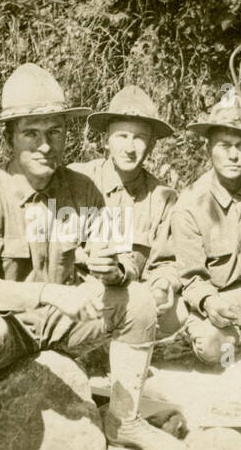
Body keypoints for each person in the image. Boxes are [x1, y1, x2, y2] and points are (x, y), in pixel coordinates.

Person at [0, 65, 187, 450]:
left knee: (140, 302)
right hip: (10, 328)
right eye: (31, 133)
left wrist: (113, 270)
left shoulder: (83, 189)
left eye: (54, 132)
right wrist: (48, 293)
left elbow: (123, 260)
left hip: (64, 327)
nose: (44, 145)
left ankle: (124, 421)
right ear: (10, 138)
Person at [167, 93, 241, 366]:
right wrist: (210, 303)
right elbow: (191, 279)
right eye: (224, 145)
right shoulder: (190, 204)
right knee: (212, 349)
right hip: (224, 299)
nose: (233, 155)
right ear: (208, 148)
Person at [68, 85, 183, 337]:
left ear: (151, 145)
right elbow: (48, 246)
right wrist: (88, 260)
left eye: (139, 137)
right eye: (121, 136)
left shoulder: (164, 198)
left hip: (129, 300)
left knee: (179, 312)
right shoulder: (75, 180)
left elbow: (167, 262)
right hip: (76, 300)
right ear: (105, 140)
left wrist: (162, 284)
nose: (129, 148)